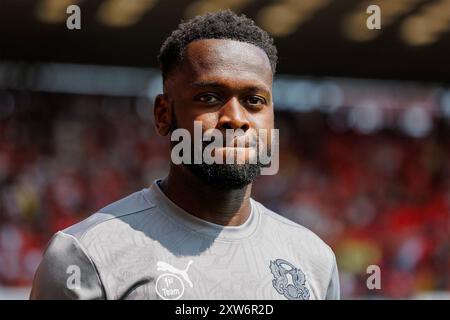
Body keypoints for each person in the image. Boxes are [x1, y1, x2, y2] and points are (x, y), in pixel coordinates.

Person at [30, 10, 339, 300]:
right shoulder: (86, 255)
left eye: (254, 100)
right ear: (163, 114)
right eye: (209, 97)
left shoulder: (313, 258)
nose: (235, 117)